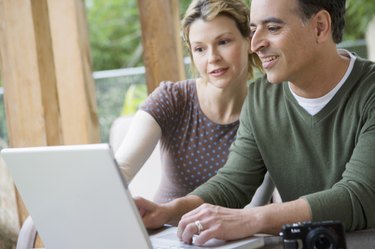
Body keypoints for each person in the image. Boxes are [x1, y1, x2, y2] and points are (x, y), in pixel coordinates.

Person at [134, 0, 375, 246]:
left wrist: (249, 219)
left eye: (272, 28)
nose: (255, 44)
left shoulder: (370, 92)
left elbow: (359, 196)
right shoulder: (261, 99)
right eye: (253, 30)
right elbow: (233, 184)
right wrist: (168, 211)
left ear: (320, 27)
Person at [115, 0, 261, 203]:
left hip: (239, 233)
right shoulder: (173, 99)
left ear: (248, 40)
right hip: (166, 229)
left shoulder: (266, 108)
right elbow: (123, 168)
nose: (213, 57)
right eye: (200, 49)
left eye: (223, 42)